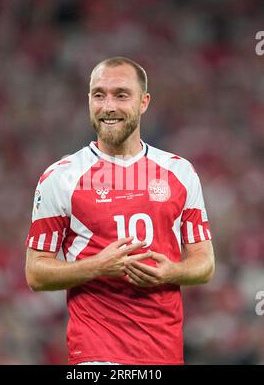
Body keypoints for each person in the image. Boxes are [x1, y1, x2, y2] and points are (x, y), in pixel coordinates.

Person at [25, 56, 215, 365]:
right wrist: (98, 266)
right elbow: (35, 273)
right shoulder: (61, 177)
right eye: (99, 95)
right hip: (96, 353)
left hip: (164, 352)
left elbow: (204, 265)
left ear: (144, 102)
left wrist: (172, 271)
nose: (108, 106)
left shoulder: (180, 172)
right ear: (89, 100)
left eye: (121, 95)